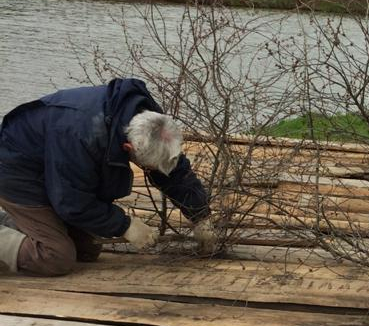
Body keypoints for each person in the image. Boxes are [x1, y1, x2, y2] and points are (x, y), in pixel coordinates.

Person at [0, 77, 217, 275]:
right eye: (146, 167)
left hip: (54, 169)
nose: (150, 172)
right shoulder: (80, 136)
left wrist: (200, 216)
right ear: (127, 146)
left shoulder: (152, 122)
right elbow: (71, 201)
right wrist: (125, 225)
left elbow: (173, 170)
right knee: (56, 256)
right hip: (15, 169)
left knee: (87, 249)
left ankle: (15, 222)